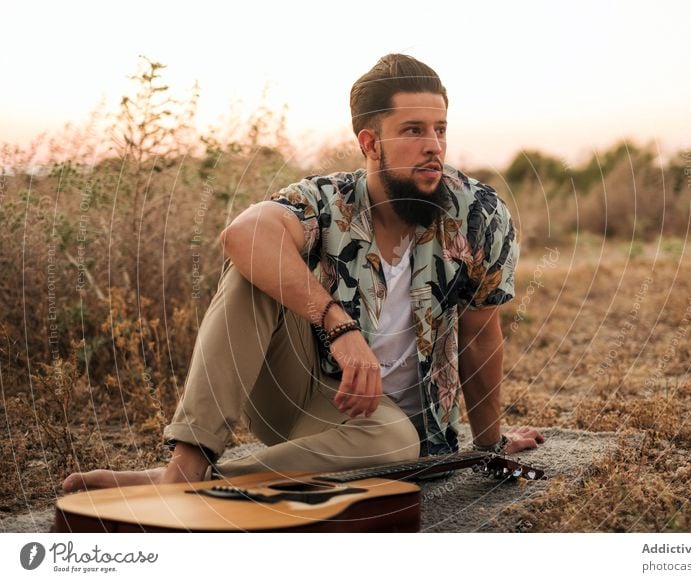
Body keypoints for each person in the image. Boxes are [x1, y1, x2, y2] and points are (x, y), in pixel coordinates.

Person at [62, 54, 545, 493]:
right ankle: (188, 462)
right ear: (369, 142)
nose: (434, 146)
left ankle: (181, 483)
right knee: (255, 268)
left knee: (395, 442)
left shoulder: (478, 214)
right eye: (414, 130)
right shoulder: (329, 199)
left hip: (397, 437)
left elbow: (481, 336)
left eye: (440, 129)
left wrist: (490, 445)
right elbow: (243, 234)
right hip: (308, 397)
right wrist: (338, 324)